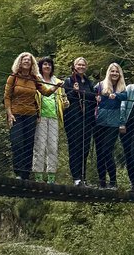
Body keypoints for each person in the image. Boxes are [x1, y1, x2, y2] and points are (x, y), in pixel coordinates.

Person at [4, 53, 57, 180]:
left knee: (29, 144)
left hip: (31, 115)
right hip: (16, 114)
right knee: (17, 142)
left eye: (29, 60)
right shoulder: (13, 77)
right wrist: (9, 114)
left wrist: (57, 87)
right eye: (24, 59)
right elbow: (7, 97)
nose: (27, 61)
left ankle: (26, 174)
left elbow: (46, 92)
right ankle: (18, 172)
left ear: (32, 63)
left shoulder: (34, 78)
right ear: (20, 62)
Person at [62, 56, 97, 186]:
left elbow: (93, 98)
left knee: (84, 149)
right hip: (73, 119)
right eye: (79, 64)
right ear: (74, 66)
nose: (81, 67)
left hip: (87, 119)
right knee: (75, 147)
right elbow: (65, 98)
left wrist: (88, 96)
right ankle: (76, 178)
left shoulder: (88, 82)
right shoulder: (69, 81)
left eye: (83, 65)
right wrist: (74, 91)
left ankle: (83, 177)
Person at [93, 63, 126, 188]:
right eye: (112, 71)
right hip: (99, 121)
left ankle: (113, 181)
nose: (114, 73)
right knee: (99, 153)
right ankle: (102, 182)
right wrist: (96, 98)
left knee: (107, 151)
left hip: (113, 123)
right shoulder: (100, 85)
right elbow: (92, 94)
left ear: (120, 74)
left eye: (117, 71)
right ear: (109, 72)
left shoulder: (121, 87)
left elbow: (125, 96)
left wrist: (116, 95)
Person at [33, 56, 65, 183]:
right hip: (40, 116)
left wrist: (65, 103)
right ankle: (38, 176)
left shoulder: (57, 81)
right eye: (45, 64)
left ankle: (51, 177)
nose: (47, 66)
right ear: (40, 66)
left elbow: (62, 98)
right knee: (40, 146)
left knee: (53, 147)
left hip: (54, 117)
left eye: (49, 65)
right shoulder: (36, 79)